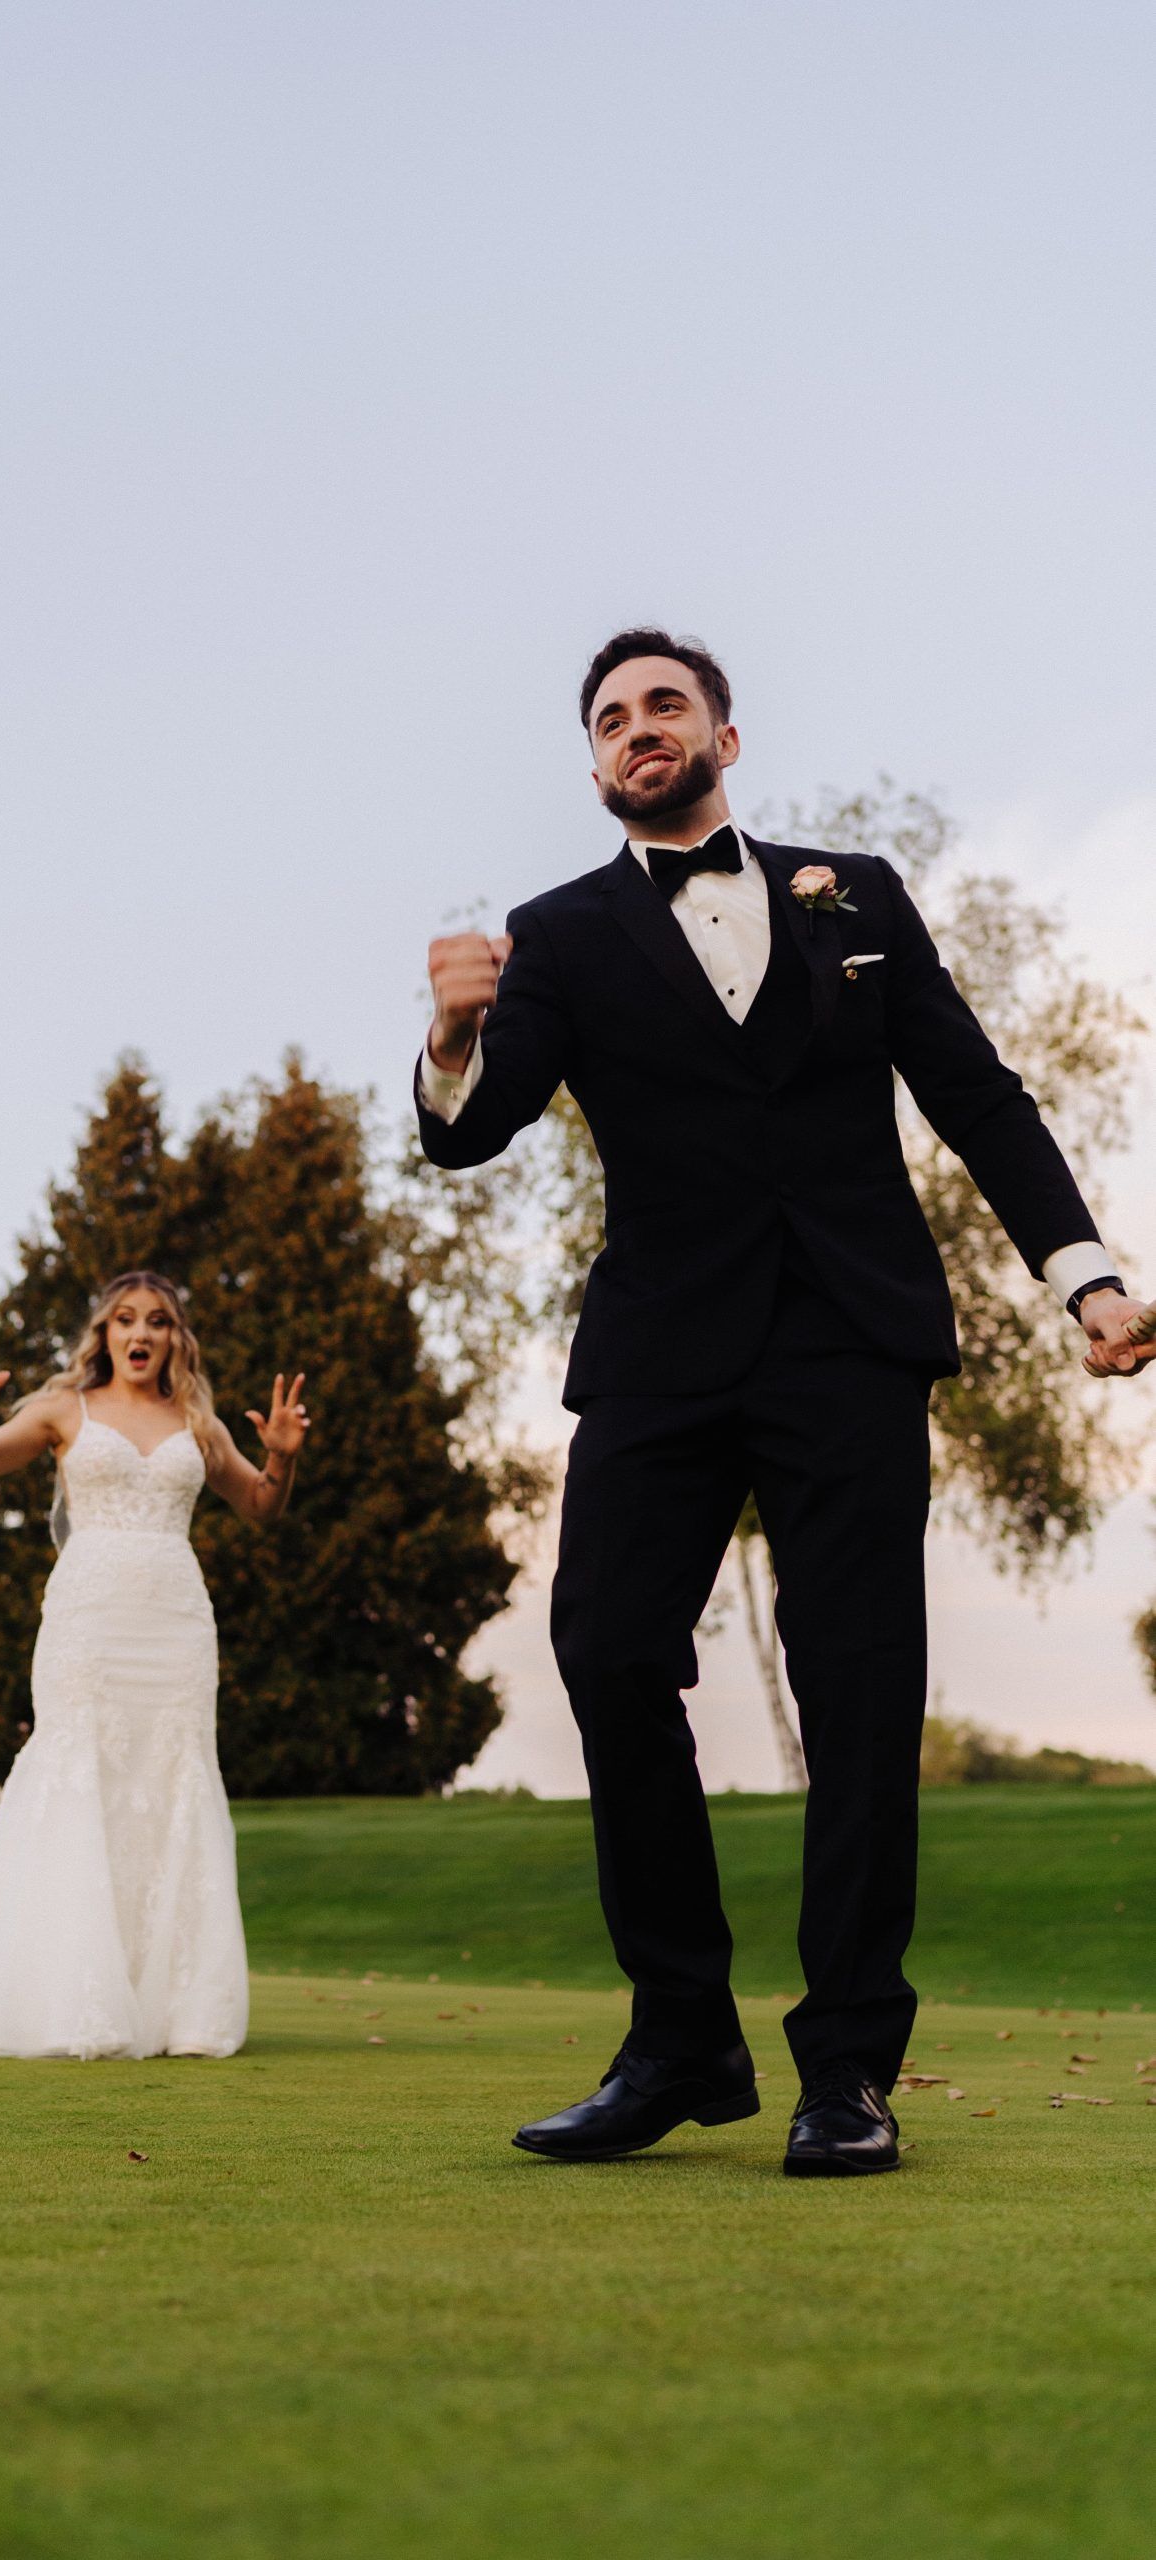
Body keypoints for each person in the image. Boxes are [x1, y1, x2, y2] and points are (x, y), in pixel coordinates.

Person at [417, 627, 1153, 2177]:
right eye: (609, 719)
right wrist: (452, 1035)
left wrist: (1082, 1278)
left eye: (662, 705)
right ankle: (677, 2037)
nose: (637, 728)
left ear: (722, 739)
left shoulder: (854, 896)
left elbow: (973, 1092)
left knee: (858, 1692)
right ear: (594, 765)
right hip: (659, 1355)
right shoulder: (554, 934)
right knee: (607, 1649)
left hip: (845, 1342)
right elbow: (472, 1135)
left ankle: (848, 2069)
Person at [0, 1272, 308, 2062]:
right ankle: (69, 2001)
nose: (140, 1333)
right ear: (105, 1333)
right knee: (78, 1773)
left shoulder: (198, 1422)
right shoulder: (62, 1409)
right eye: (125, 1319)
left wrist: (280, 1461)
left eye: (157, 1321)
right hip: (89, 1621)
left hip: (175, 1624)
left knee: (173, 1780)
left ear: (175, 1338)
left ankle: (177, 2011)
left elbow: (258, 1507)